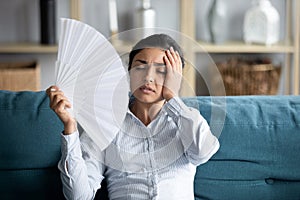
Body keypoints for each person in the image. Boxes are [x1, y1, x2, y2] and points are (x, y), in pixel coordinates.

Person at [47, 33, 219, 200]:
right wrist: (70, 127)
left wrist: (172, 97)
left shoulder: (186, 120)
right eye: (140, 66)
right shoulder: (106, 124)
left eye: (161, 70)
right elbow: (79, 196)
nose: (148, 77)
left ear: (174, 78)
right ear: (129, 72)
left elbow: (203, 152)